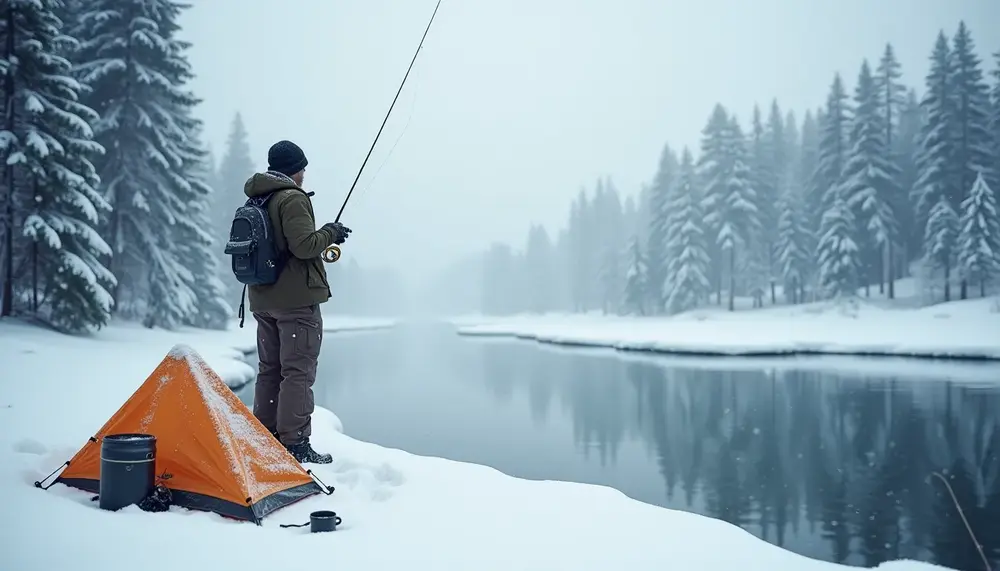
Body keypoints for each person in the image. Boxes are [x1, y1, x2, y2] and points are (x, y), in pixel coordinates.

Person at [243, 140, 351, 464]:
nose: (305, 173)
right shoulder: (291, 198)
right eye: (302, 167)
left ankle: (266, 437)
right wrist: (330, 233)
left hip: (263, 299)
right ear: (295, 169)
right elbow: (304, 246)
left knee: (270, 370)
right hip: (295, 303)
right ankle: (296, 444)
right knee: (299, 372)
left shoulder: (258, 197)